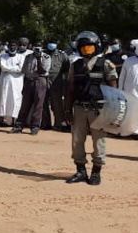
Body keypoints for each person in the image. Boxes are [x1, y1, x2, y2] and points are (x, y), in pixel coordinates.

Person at [66, 31, 118, 185]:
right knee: (77, 141)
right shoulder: (75, 66)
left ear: (96, 47)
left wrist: (113, 112)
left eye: (89, 47)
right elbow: (70, 90)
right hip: (80, 108)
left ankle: (96, 172)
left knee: (99, 141)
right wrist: (68, 110)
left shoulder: (106, 65)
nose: (86, 51)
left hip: (99, 110)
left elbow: (114, 90)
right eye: (83, 48)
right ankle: (80, 171)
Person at [13, 39, 51, 134]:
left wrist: (39, 59)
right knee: (25, 105)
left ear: (42, 47)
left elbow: (42, 71)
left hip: (40, 81)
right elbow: (25, 72)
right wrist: (24, 86)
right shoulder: (28, 57)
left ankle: (34, 127)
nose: (37, 47)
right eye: (36, 45)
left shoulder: (46, 57)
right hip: (29, 81)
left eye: (39, 45)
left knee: (38, 105)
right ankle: (19, 126)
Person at [43, 37, 69, 131]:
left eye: (53, 43)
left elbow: (67, 67)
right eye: (50, 42)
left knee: (57, 104)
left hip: (56, 81)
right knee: (43, 103)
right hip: (44, 79)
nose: (51, 44)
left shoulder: (62, 55)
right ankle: (45, 124)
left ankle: (59, 123)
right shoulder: (42, 54)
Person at [0, 39, 24, 126]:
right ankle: (2, 120)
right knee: (4, 99)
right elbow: (3, 67)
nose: (12, 47)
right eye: (11, 46)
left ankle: (14, 120)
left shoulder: (21, 57)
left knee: (16, 99)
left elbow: (20, 69)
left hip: (17, 83)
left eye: (14, 45)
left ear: (17, 46)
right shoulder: (3, 56)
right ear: (8, 47)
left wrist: (8, 69)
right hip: (5, 81)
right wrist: (14, 68)